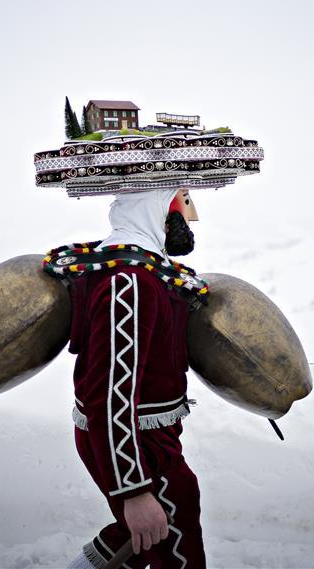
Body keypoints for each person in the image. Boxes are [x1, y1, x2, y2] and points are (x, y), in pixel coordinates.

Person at [66, 187, 206, 569]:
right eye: (183, 200)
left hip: (144, 437)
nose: (191, 215)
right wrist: (134, 490)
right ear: (157, 204)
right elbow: (109, 394)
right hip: (132, 441)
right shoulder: (127, 281)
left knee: (140, 538)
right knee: (172, 546)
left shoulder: (141, 267)